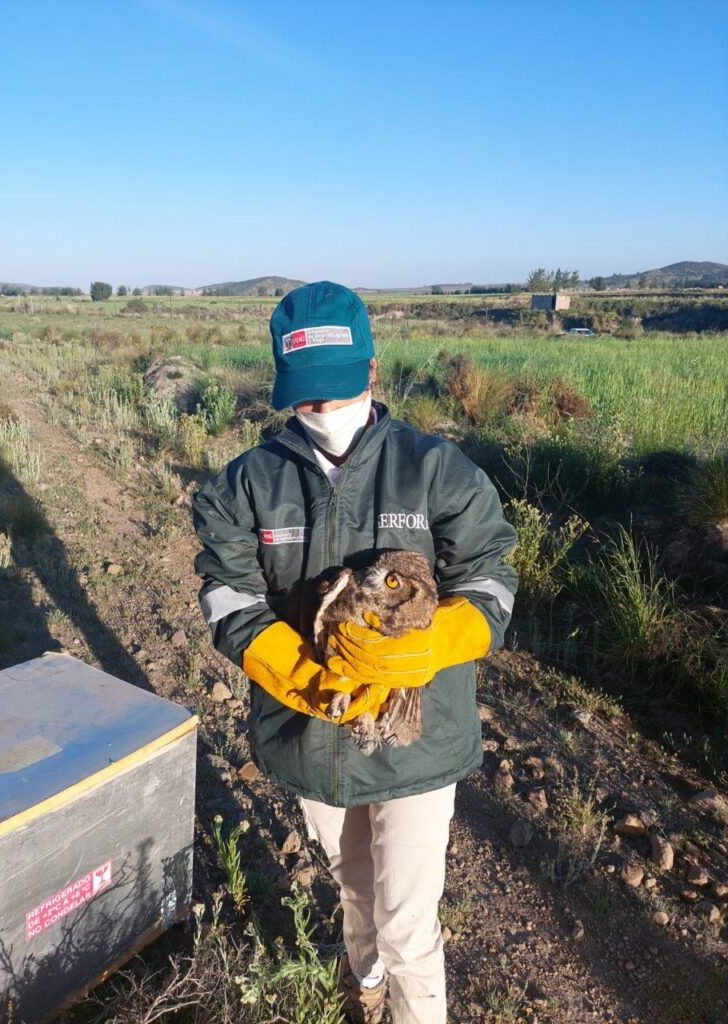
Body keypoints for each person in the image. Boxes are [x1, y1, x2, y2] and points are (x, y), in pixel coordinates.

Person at [193, 281, 518, 1024]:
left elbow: (494, 577)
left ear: (372, 373)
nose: (324, 413)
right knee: (354, 884)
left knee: (408, 921)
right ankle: (364, 982)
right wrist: (302, 678)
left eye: (337, 393)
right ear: (284, 389)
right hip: (313, 735)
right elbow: (228, 595)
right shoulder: (247, 484)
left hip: (418, 736)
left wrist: (442, 639)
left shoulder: (437, 471)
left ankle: (412, 1005)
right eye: (308, 400)